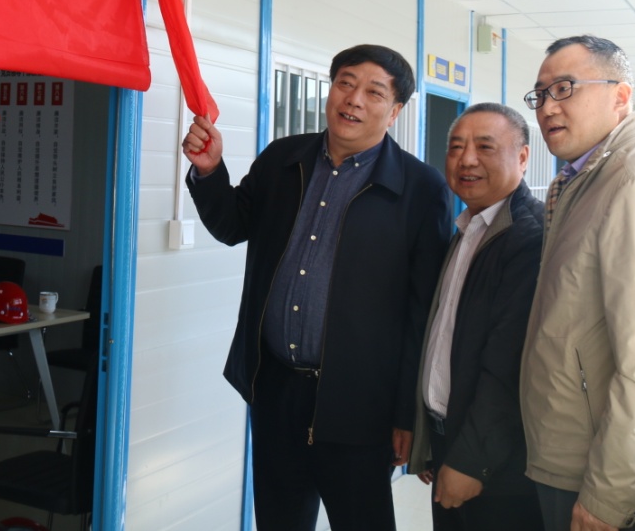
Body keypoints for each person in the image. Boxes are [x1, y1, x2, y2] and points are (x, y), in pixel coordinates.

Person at [183, 44, 452, 531]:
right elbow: (232, 225)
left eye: (374, 92)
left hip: (359, 404)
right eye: (345, 83)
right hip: (276, 389)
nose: (354, 99)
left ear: (394, 111)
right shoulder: (283, 159)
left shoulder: (421, 188)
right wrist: (209, 171)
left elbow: (423, 314)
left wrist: (406, 414)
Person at [520, 35, 635, 531]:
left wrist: (608, 494)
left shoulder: (630, 182)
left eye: (565, 88)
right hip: (564, 447)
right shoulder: (577, 179)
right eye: (540, 94)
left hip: (594, 469)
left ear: (620, 96)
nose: (547, 106)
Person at [410, 103, 544, 530]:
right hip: (452, 440)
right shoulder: (469, 228)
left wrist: (471, 460)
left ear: (523, 157)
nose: (466, 159)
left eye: (485, 147)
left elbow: (508, 364)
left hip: (495, 466)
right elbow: (446, 337)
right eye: (455, 147)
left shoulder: (529, 237)